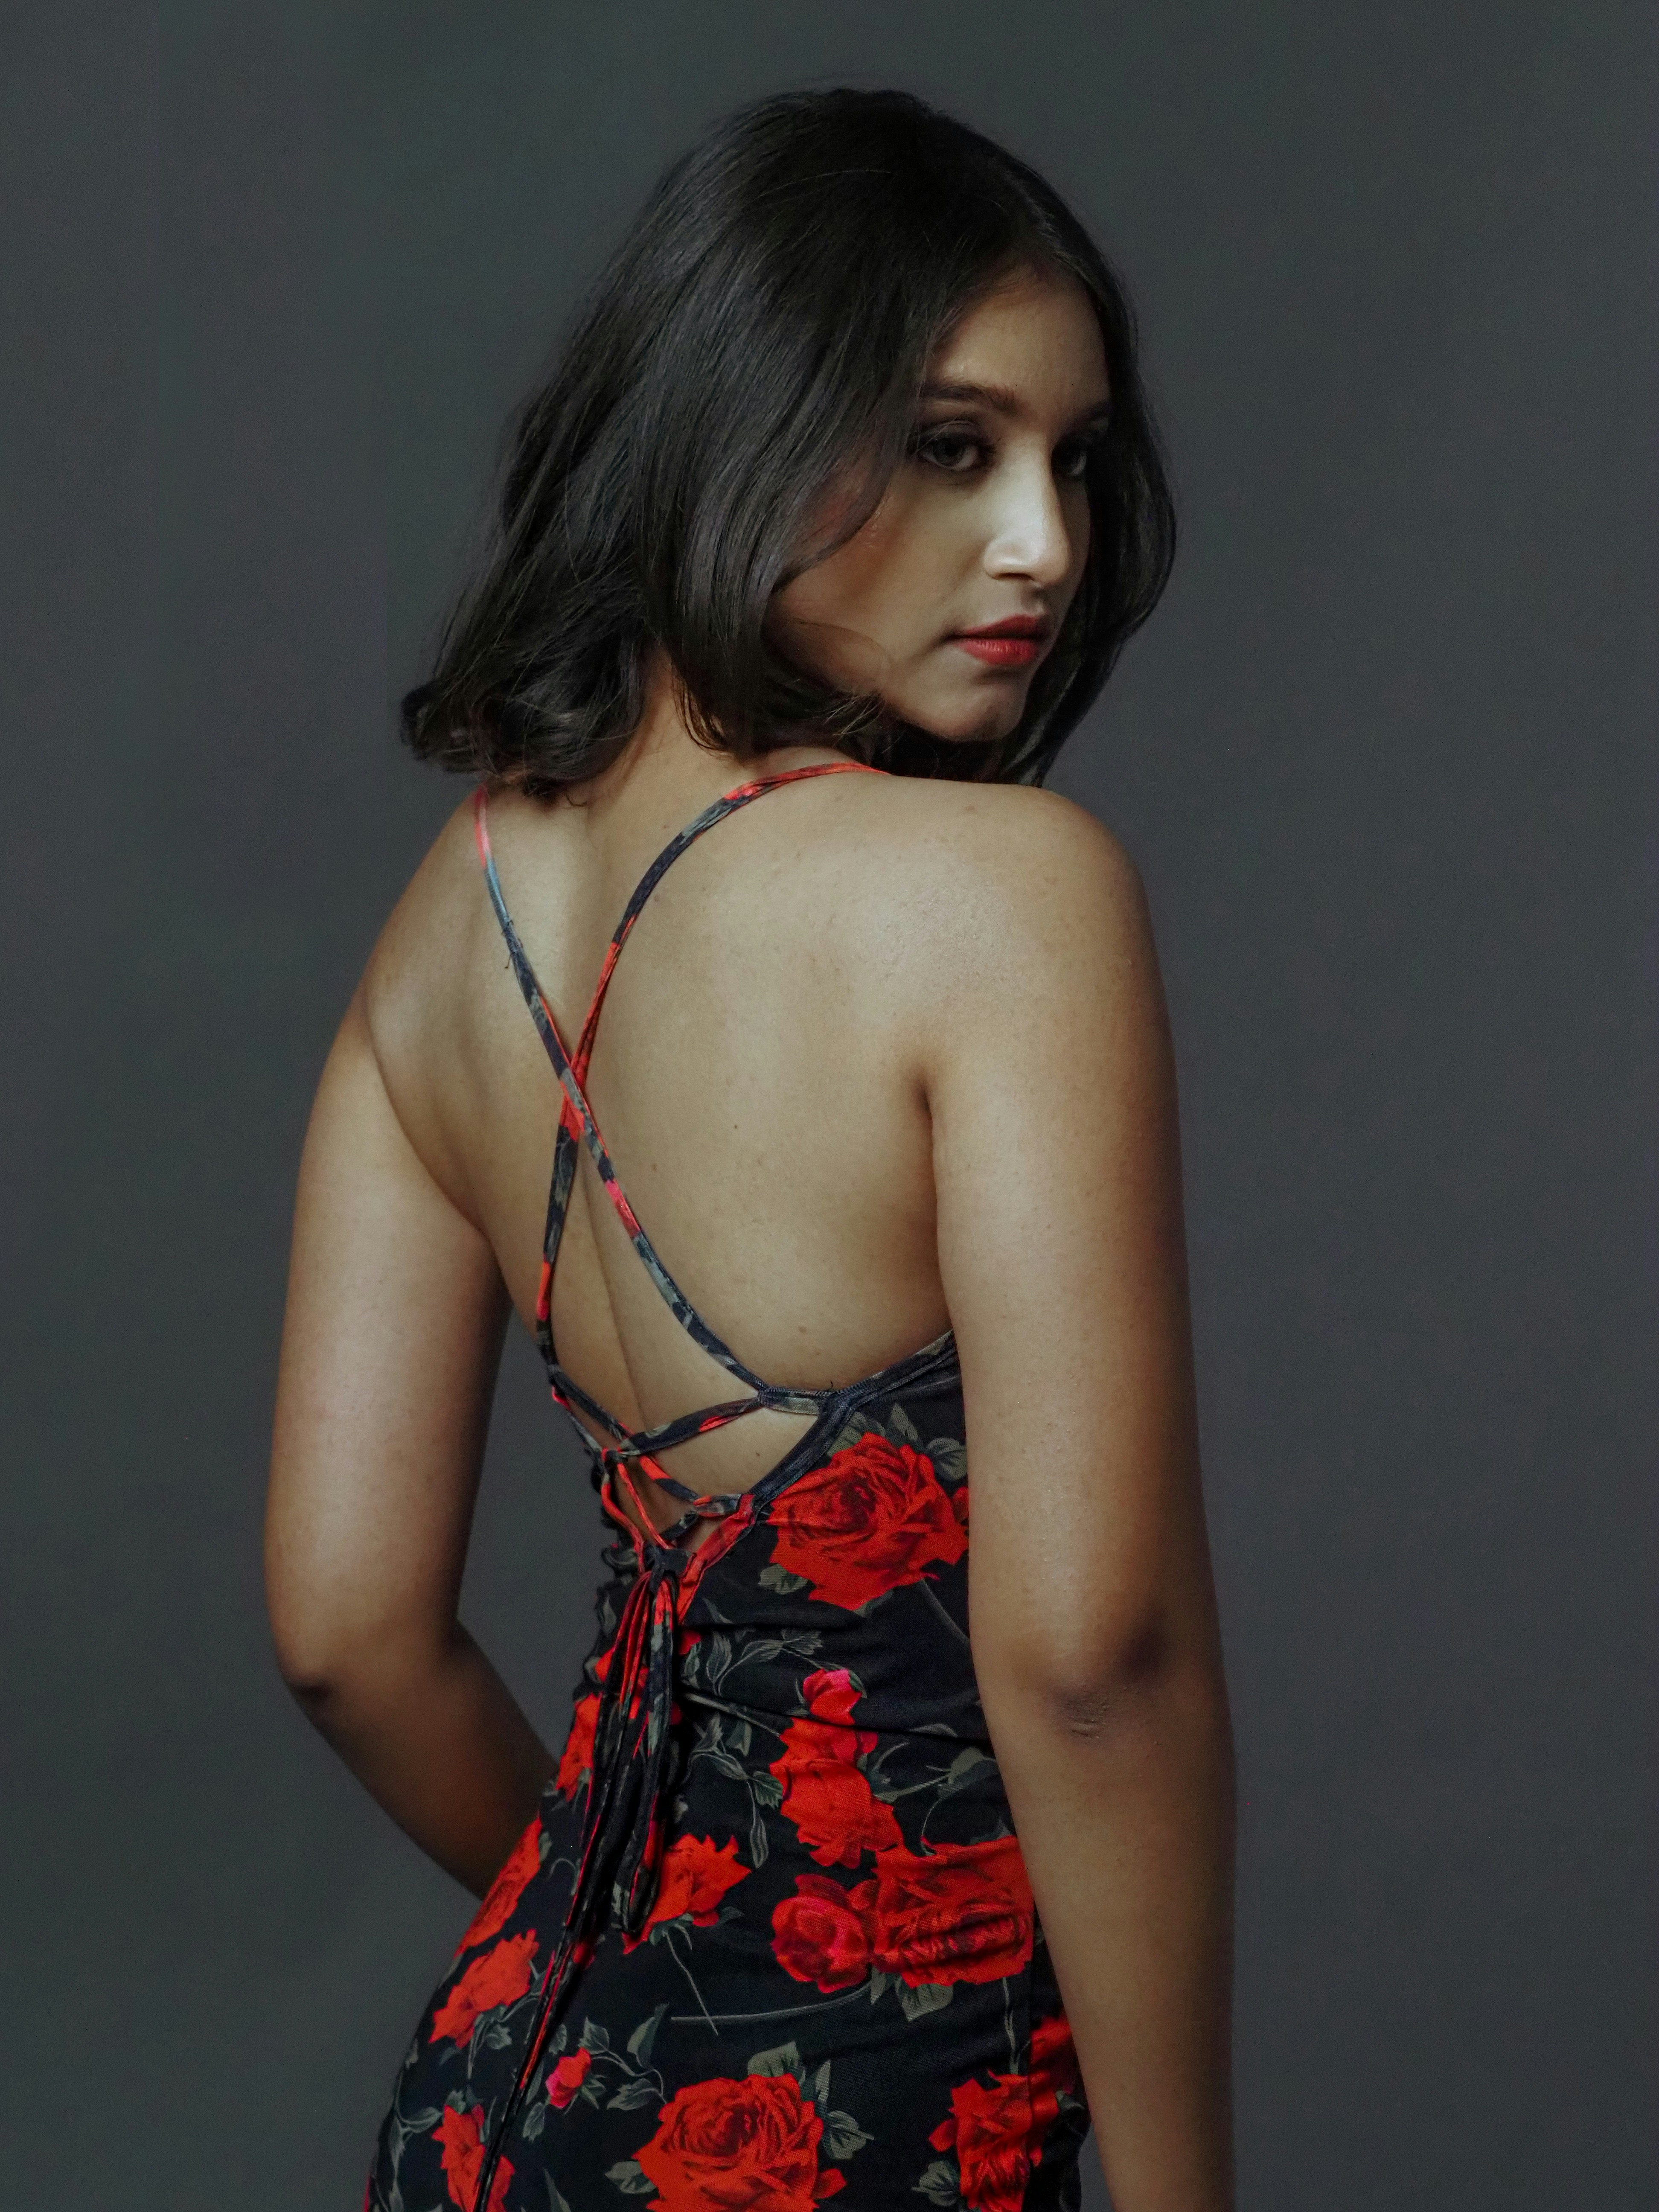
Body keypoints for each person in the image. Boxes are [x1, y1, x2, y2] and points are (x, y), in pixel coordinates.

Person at [265, 86, 1234, 2212]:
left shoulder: (445, 933)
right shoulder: (1007, 897)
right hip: (865, 2134)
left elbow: (347, 1628)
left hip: (489, 2111)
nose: (1047, 545)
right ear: (747, 421)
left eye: (1077, 460)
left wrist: (592, 1948)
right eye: (956, 445)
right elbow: (1091, 1660)